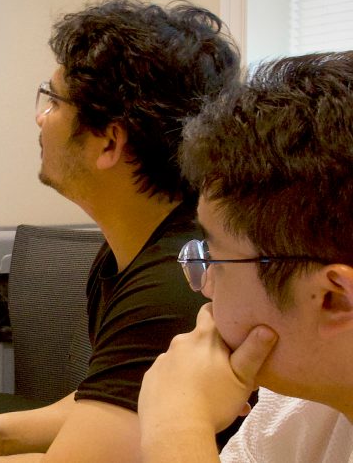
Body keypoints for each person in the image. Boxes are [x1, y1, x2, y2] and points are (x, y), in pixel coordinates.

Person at [0, 0, 241, 462]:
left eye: (53, 101)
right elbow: (112, 401)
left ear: (109, 142)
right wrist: (0, 433)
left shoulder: (174, 284)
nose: (40, 117)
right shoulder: (136, 246)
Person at [135, 52, 353, 462]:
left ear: (334, 298)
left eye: (216, 260)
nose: (205, 287)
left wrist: (177, 426)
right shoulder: (294, 409)